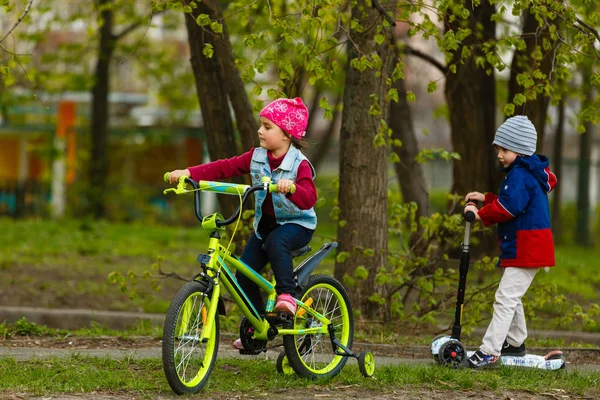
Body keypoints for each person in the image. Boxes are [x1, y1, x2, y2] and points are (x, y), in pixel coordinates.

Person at [167, 97, 317, 350]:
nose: (260, 130)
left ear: (286, 135)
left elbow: (309, 198)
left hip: (297, 225)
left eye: (268, 127)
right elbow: (225, 168)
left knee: (277, 242)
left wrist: (290, 188)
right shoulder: (256, 157)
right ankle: (259, 327)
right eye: (261, 125)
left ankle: (287, 296)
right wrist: (189, 173)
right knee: (244, 275)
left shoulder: (298, 164)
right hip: (265, 227)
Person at [463, 115, 557, 368]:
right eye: (499, 149)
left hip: (528, 247)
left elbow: (510, 206)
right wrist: (487, 197)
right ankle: (515, 343)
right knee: (510, 296)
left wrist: (479, 212)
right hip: (525, 246)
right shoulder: (524, 173)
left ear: (521, 150)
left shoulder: (521, 175)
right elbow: (511, 201)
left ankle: (490, 351)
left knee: (505, 298)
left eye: (504, 149)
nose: (499, 155)